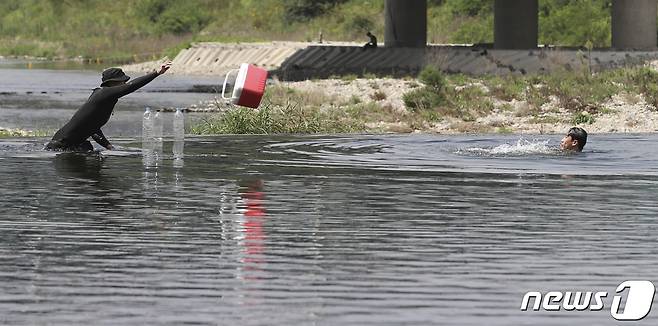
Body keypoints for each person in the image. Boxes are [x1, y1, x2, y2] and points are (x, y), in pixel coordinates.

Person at [45, 62, 172, 152]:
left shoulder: (105, 99)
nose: (125, 84)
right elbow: (132, 86)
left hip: (70, 146)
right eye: (123, 81)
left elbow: (93, 129)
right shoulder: (103, 93)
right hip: (59, 146)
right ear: (113, 83)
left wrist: (109, 147)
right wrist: (156, 73)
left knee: (89, 150)